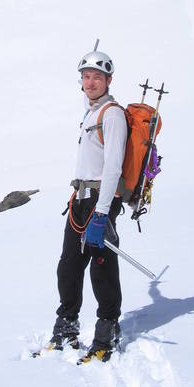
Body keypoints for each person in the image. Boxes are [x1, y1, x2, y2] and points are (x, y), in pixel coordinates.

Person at [49, 47, 128, 362]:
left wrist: (103, 213)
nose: (90, 82)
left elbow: (113, 167)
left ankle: (107, 330)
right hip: (79, 200)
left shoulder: (112, 115)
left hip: (100, 200)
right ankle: (66, 326)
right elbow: (87, 99)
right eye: (86, 76)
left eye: (97, 76)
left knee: (101, 268)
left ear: (109, 80)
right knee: (68, 266)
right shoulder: (91, 111)